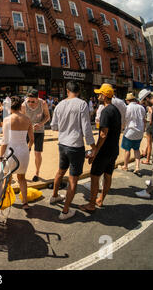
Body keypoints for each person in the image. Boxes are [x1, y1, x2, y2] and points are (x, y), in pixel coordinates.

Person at [50, 81, 96, 220]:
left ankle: (54, 196)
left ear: (67, 90)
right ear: (79, 91)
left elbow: (53, 126)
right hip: (75, 145)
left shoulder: (59, 105)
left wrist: (65, 128)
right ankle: (65, 211)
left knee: (60, 171)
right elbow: (86, 128)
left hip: (62, 143)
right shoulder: (81, 104)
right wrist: (92, 145)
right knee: (73, 179)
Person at [80, 84, 121, 212]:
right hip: (114, 149)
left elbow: (103, 134)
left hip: (104, 150)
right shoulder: (116, 110)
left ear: (104, 96)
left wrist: (95, 151)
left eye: (99, 94)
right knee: (108, 175)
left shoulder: (105, 110)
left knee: (94, 176)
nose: (98, 96)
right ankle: (100, 199)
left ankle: (91, 205)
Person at [0, 96, 34, 210]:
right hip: (23, 151)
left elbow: (4, 141)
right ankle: (25, 202)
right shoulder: (27, 119)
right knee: (22, 178)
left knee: (7, 177)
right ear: (20, 106)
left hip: (11, 151)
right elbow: (32, 139)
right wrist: (28, 148)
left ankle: (5, 199)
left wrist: (1, 155)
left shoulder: (7, 119)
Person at [21, 89, 51, 182]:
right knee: (25, 153)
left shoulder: (43, 104)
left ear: (38, 99)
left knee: (37, 153)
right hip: (27, 131)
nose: (30, 103)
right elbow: (22, 118)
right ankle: (22, 173)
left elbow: (47, 116)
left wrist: (41, 124)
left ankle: (37, 173)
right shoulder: (23, 105)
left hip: (39, 131)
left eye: (33, 101)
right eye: (29, 101)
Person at [121, 93, 146, 176]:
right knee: (136, 149)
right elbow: (144, 120)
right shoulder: (141, 107)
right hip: (139, 132)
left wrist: (122, 128)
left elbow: (124, 120)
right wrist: (143, 130)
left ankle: (125, 166)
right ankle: (137, 167)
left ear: (127, 100)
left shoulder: (127, 108)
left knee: (127, 150)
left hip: (129, 132)